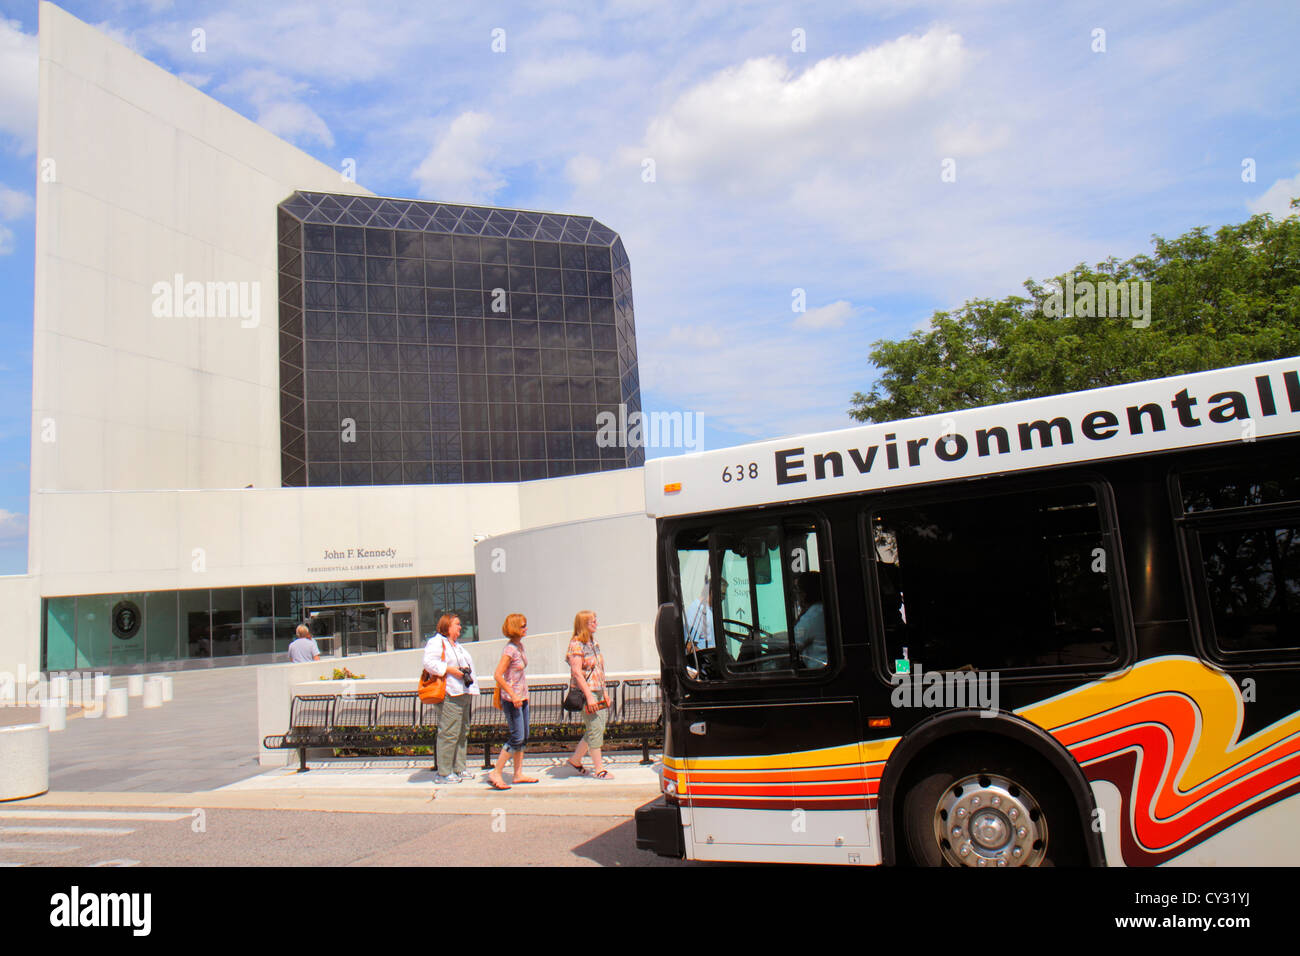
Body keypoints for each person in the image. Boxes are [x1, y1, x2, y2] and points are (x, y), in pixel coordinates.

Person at [424, 613, 479, 784]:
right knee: (449, 733)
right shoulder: (436, 642)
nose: (460, 627)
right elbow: (429, 663)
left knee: (462, 732)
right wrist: (450, 670)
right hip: (449, 694)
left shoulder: (457, 646)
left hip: (463, 692)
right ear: (447, 626)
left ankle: (459, 768)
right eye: (457, 624)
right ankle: (444, 772)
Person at [487, 613, 538, 790]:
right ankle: (496, 772)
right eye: (523, 626)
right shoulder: (509, 650)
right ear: (515, 627)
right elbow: (498, 675)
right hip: (512, 699)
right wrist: (514, 695)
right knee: (516, 736)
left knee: (523, 737)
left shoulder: (519, 646)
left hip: (522, 697)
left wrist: (522, 695)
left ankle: (518, 774)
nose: (526, 628)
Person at [564, 610, 613, 779]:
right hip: (588, 693)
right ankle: (599, 769)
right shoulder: (576, 644)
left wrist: (605, 692)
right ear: (584, 624)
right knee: (594, 728)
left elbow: (600, 669)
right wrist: (590, 696)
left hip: (598, 690)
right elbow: (577, 673)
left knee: (598, 728)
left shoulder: (593, 642)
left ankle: (575, 760)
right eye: (592, 621)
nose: (596, 623)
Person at [793, 571, 828, 669]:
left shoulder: (813, 615)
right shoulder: (822, 609)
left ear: (804, 595)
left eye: (798, 592)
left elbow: (794, 643)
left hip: (818, 671)